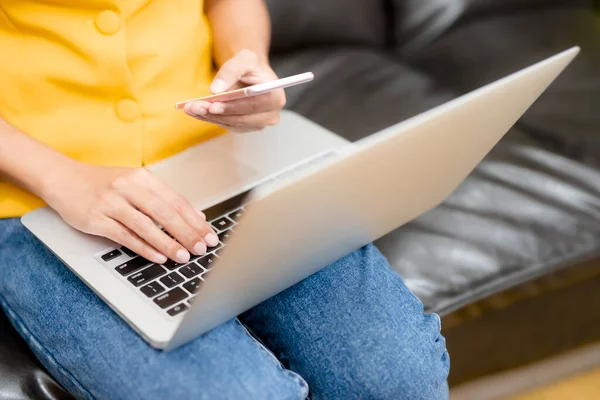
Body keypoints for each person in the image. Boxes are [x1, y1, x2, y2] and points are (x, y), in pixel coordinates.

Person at [0, 0, 450, 398]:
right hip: (36, 191)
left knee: (398, 379)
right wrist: (62, 179)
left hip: (215, 151)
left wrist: (245, 62)